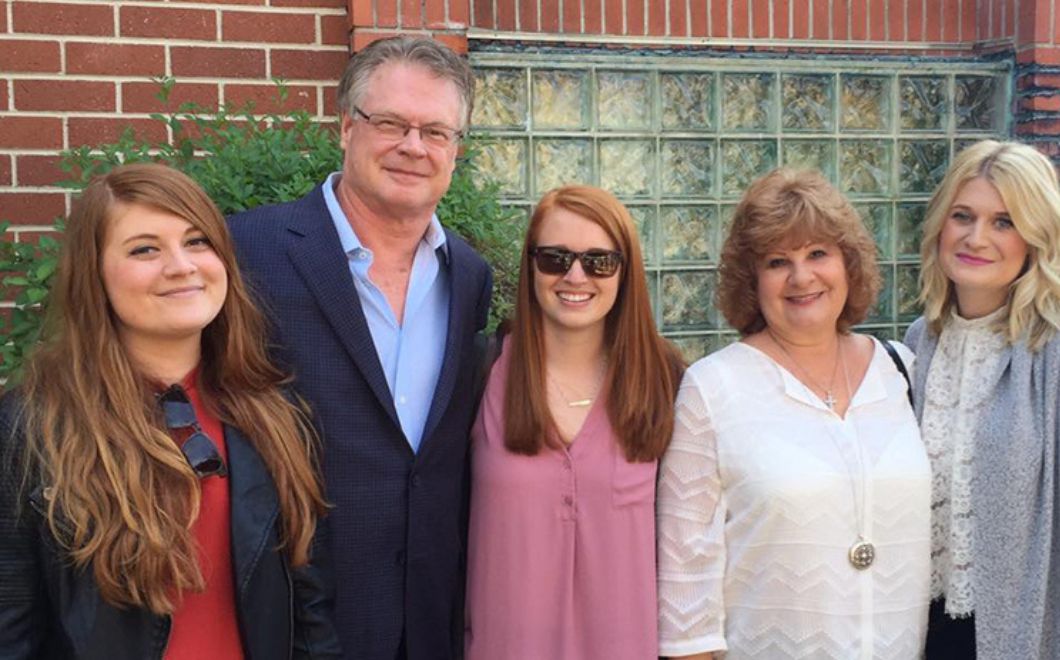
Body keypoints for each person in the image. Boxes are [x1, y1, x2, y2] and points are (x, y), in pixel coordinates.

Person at [0, 163, 339, 659]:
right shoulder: (32, 427)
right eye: (144, 249)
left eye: (198, 241)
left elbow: (312, 613)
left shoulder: (276, 411)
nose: (181, 265)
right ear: (94, 274)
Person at [227, 36, 491, 660]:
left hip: (428, 618)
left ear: (455, 151)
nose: (412, 146)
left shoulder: (470, 275)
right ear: (345, 127)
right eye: (391, 122)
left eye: (436, 131)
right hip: (292, 616)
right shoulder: (247, 253)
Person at [656, 168, 931, 659]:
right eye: (778, 261)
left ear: (849, 264)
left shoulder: (902, 372)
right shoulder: (713, 388)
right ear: (751, 280)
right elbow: (685, 590)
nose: (802, 277)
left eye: (818, 253)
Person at [464, 185, 684, 659]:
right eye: (555, 258)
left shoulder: (668, 381)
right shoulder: (478, 372)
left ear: (626, 272)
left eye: (599, 261)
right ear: (530, 266)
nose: (576, 275)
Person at [903, 140, 1060, 660]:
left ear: (1037, 238)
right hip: (915, 627)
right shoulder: (916, 343)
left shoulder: (1052, 350)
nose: (976, 238)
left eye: (1004, 222)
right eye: (963, 216)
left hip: (1021, 630)